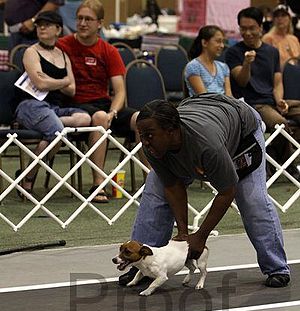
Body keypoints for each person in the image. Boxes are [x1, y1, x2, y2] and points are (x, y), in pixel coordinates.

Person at [119, 95, 290, 289]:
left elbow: (227, 190)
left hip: (241, 132)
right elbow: (173, 187)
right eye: (141, 135)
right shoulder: (153, 143)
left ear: (171, 131)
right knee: (155, 187)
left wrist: (200, 236)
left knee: (252, 200)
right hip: (203, 111)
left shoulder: (208, 144)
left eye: (149, 135)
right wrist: (183, 234)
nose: (145, 142)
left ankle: (277, 268)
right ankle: (141, 265)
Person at [57, 0, 150, 203]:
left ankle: (151, 182)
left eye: (88, 19)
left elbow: (119, 92)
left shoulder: (109, 51)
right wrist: (105, 116)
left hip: (104, 104)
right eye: (79, 18)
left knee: (142, 118)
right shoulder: (62, 45)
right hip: (74, 106)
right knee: (99, 117)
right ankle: (98, 183)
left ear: (99, 23)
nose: (82, 23)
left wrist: (113, 113)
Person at [15, 10, 90, 195]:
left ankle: (26, 173)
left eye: (46, 25)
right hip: (30, 105)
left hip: (54, 109)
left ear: (58, 29)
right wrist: (62, 82)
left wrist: (52, 81)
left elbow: (72, 89)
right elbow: (40, 83)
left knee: (84, 118)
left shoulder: (63, 55)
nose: (41, 28)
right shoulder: (31, 52)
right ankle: (29, 178)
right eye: (39, 25)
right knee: (57, 132)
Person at [225, 6, 300, 181]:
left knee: (289, 115)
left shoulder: (271, 51)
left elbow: (277, 81)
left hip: (272, 101)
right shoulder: (234, 52)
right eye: (243, 28)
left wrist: (280, 100)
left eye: (252, 28)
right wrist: (247, 63)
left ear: (260, 27)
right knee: (280, 123)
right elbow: (241, 81)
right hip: (251, 103)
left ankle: (274, 153)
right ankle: (287, 165)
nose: (248, 33)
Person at [184, 25, 232, 97]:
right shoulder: (193, 66)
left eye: (223, 42)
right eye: (218, 41)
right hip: (204, 106)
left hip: (224, 105)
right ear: (204, 43)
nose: (222, 45)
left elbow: (229, 96)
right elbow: (204, 97)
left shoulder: (223, 67)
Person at [262, 4, 300, 68]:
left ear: (289, 19)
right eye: (277, 16)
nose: (280, 18)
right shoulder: (268, 38)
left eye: (283, 15)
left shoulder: (293, 39)